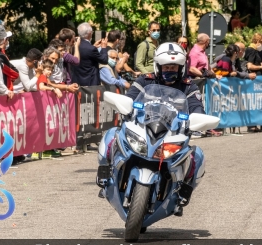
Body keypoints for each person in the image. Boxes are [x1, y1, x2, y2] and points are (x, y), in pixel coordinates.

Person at [100, 42, 205, 215]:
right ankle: (104, 174)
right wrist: (126, 106)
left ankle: (182, 194)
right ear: (158, 66)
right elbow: (131, 98)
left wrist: (197, 119)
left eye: (174, 67)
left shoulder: (189, 86)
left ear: (181, 68)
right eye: (166, 66)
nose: (170, 70)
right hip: (143, 127)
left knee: (196, 155)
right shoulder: (145, 80)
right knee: (112, 135)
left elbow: (196, 107)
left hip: (172, 133)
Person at [72, 22, 108, 86]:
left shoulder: (74, 46)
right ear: (89, 33)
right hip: (90, 83)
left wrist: (93, 46)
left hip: (76, 81)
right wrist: (104, 48)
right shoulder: (91, 49)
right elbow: (104, 60)